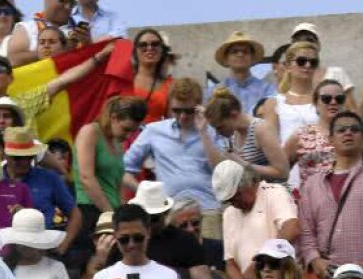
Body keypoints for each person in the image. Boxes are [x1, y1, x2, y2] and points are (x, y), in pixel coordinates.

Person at [124, 79, 222, 237]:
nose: (182, 116)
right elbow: (124, 170)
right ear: (169, 106)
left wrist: (204, 132)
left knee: (210, 258)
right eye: (176, 111)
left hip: (207, 209)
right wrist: (145, 191)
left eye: (189, 111)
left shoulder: (212, 131)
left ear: (199, 107)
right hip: (169, 210)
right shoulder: (154, 130)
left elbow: (221, 170)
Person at [86, 204, 191, 279]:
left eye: (138, 238)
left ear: (148, 233)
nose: (132, 244)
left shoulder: (168, 275)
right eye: (124, 239)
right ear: (115, 236)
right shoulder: (102, 277)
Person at [214, 164, 300, 279]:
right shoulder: (229, 213)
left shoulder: (273, 192)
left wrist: (257, 265)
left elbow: (291, 227)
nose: (233, 203)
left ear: (248, 183)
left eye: (236, 196)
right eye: (229, 201)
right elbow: (230, 263)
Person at [299, 110, 363, 279]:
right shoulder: (312, 184)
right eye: (341, 130)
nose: (348, 133)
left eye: (354, 129)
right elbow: (306, 231)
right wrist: (314, 259)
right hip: (326, 278)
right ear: (330, 139)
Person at [260, 42, 321, 186]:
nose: (307, 65)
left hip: (321, 172)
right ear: (287, 66)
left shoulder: (325, 99)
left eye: (313, 62)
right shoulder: (273, 103)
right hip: (289, 175)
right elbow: (271, 147)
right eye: (301, 61)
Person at [202, 89, 290, 183]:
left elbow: (282, 172)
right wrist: (202, 131)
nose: (218, 133)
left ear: (234, 115)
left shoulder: (260, 129)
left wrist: (244, 164)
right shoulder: (233, 134)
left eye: (220, 127)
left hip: (271, 193)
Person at [285, 79, 346, 186]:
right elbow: (279, 173)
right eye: (326, 98)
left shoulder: (356, 134)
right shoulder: (300, 136)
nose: (333, 102)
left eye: (339, 99)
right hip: (311, 199)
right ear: (316, 102)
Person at [212, 31, 271, 116]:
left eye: (245, 51)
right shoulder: (215, 92)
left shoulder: (268, 90)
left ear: (253, 58)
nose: (240, 54)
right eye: (234, 51)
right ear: (226, 59)